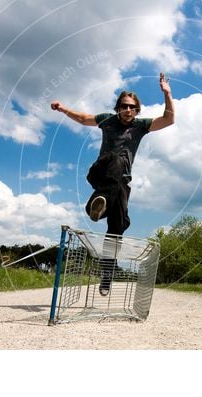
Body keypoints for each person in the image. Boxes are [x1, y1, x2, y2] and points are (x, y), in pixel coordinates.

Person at [51, 72, 174, 295]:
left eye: (133, 108)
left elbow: (168, 120)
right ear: (118, 107)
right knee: (118, 159)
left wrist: (167, 94)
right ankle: (98, 203)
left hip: (121, 184)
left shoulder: (140, 125)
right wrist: (62, 108)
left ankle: (106, 275)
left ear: (137, 110)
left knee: (118, 227)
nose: (128, 111)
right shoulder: (107, 120)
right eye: (125, 106)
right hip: (101, 171)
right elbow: (82, 118)